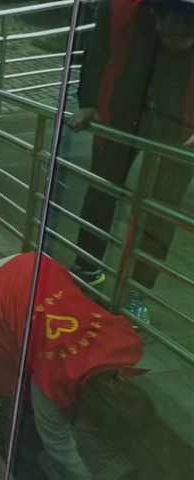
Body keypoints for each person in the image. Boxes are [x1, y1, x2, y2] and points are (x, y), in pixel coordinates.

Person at [0, 253, 151, 480]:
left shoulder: (113, 348)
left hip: (34, 266)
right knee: (2, 383)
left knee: (25, 367)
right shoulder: (54, 380)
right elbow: (57, 441)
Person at [69, 0, 194, 323]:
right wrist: (88, 102)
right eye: (174, 21)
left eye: (188, 24)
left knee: (162, 210)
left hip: (182, 122)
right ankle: (86, 267)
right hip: (123, 109)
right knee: (102, 189)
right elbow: (97, 52)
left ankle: (137, 291)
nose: (180, 29)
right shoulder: (121, 9)